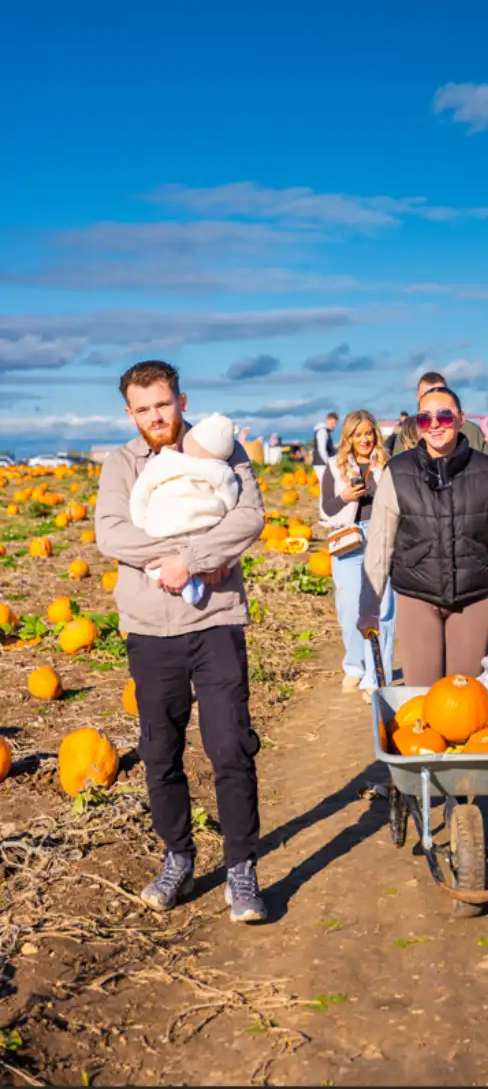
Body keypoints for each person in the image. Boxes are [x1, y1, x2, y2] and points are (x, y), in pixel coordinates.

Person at [95, 360, 267, 922]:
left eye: (163, 404)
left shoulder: (221, 451)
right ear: (130, 412)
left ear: (182, 399)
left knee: (230, 748)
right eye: (143, 409)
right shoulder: (120, 463)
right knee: (159, 752)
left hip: (215, 622)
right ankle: (178, 857)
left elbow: (247, 517)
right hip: (149, 631)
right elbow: (111, 532)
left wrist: (190, 559)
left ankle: (241, 870)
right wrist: (189, 551)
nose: (155, 417)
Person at [358, 387, 488, 687]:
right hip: (416, 595)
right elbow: (380, 546)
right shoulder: (398, 471)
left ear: (460, 420)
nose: (434, 424)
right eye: (425, 419)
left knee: (465, 696)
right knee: (422, 695)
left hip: (474, 597)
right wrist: (368, 607)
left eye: (444, 416)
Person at [321, 410, 396, 700]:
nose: (364, 439)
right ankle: (355, 664)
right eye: (358, 434)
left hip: (381, 537)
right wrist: (345, 498)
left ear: (375, 434)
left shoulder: (387, 465)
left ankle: (377, 679)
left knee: (384, 610)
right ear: (348, 437)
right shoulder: (333, 466)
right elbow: (326, 509)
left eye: (369, 433)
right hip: (348, 541)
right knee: (350, 610)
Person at [130, 413, 240, 605]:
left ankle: (165, 575)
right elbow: (231, 500)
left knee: (153, 564)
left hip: (163, 527)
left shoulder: (165, 460)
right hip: (203, 529)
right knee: (212, 555)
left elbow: (141, 492)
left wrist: (140, 520)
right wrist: (224, 511)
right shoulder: (221, 470)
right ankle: (196, 580)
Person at [416, 371, 488, 454]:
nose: (434, 424)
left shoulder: (472, 432)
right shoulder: (407, 431)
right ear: (417, 398)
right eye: (426, 396)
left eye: (440, 393)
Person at [312, 413, 338, 485]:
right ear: (327, 420)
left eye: (335, 423)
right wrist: (328, 463)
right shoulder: (322, 431)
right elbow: (322, 449)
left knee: (325, 487)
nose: (334, 425)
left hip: (323, 464)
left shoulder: (325, 431)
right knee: (325, 487)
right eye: (333, 423)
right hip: (321, 464)